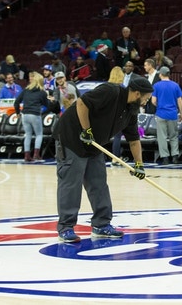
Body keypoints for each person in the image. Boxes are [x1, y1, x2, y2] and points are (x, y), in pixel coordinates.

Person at [53, 76, 153, 242]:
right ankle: (66, 227)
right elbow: (81, 103)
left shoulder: (131, 111)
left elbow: (134, 139)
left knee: (98, 183)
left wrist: (139, 164)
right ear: (137, 93)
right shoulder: (111, 91)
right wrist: (86, 130)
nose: (146, 102)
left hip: (94, 144)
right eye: (146, 98)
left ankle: (101, 225)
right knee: (71, 183)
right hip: (71, 138)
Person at [14, 72, 51, 162]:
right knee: (39, 134)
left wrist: (18, 113)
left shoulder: (26, 90)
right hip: (35, 114)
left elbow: (16, 102)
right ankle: (36, 155)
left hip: (25, 115)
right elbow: (48, 105)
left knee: (28, 135)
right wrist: (43, 112)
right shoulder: (42, 92)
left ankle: (27, 155)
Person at [151, 66, 182, 165]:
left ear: (160, 74)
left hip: (161, 114)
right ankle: (175, 157)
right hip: (173, 114)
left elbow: (153, 101)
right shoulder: (175, 85)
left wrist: (160, 106)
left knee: (162, 137)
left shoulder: (156, 86)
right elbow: (180, 101)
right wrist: (181, 113)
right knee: (174, 136)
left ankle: (165, 158)